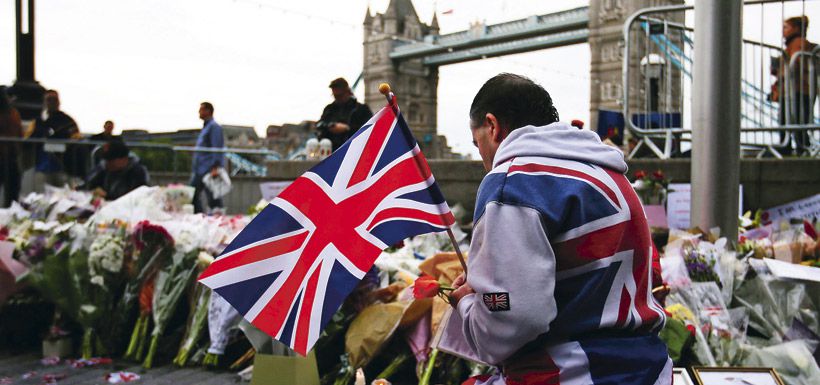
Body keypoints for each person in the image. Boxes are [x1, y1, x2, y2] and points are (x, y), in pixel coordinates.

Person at [448, 74, 670, 385]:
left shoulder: (512, 182)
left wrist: (470, 304)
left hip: (572, 373)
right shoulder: (612, 176)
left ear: (493, 126)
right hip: (647, 371)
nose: (483, 158)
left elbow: (510, 323)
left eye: (478, 142)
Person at [770, 15, 816, 155]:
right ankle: (798, 147)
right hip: (795, 89)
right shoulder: (793, 44)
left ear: (795, 28)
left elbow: (796, 63)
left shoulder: (798, 43)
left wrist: (783, 67)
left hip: (797, 89)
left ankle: (795, 147)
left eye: (786, 27)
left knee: (792, 119)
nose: (783, 31)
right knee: (794, 120)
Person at [30, 89, 84, 184]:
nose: (52, 102)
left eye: (54, 99)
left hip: (64, 166)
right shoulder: (38, 122)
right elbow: (29, 139)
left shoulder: (68, 121)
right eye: (49, 99)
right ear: (44, 102)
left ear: (59, 101)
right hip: (42, 166)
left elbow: (77, 138)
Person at [317, 77, 373, 151]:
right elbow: (319, 126)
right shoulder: (329, 109)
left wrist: (347, 128)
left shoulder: (361, 109)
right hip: (332, 151)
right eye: (335, 96)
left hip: (355, 150)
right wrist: (329, 126)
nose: (337, 98)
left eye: (339, 95)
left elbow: (370, 128)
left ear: (347, 92)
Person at [82, 140, 148, 201]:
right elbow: (90, 184)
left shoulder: (137, 172)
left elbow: (134, 197)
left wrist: (106, 196)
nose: (107, 163)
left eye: (111, 160)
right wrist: (93, 189)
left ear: (124, 159)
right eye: (106, 159)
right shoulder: (105, 168)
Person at [191, 102, 225, 213]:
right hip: (200, 169)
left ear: (208, 111)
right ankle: (200, 217)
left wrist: (215, 167)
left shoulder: (214, 127)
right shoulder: (207, 127)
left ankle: (217, 218)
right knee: (194, 195)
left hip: (208, 168)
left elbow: (217, 147)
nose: (198, 112)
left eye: (201, 109)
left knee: (213, 199)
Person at [0, 90, 22, 207]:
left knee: (12, 189)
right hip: (5, 155)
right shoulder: (12, 113)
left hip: (10, 156)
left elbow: (18, 133)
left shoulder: (13, 113)